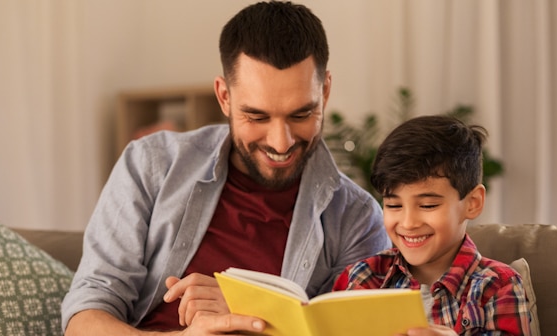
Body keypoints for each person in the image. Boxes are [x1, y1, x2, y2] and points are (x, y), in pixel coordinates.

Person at [62, 2, 389, 335]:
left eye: (300, 115)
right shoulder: (152, 165)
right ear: (224, 97)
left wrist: (252, 310)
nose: (280, 142)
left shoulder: (357, 218)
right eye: (257, 117)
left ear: (326, 91)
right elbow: (85, 318)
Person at [332, 115, 531, 335]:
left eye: (428, 205)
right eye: (394, 205)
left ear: (472, 203)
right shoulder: (362, 276)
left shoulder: (497, 286)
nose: (408, 223)